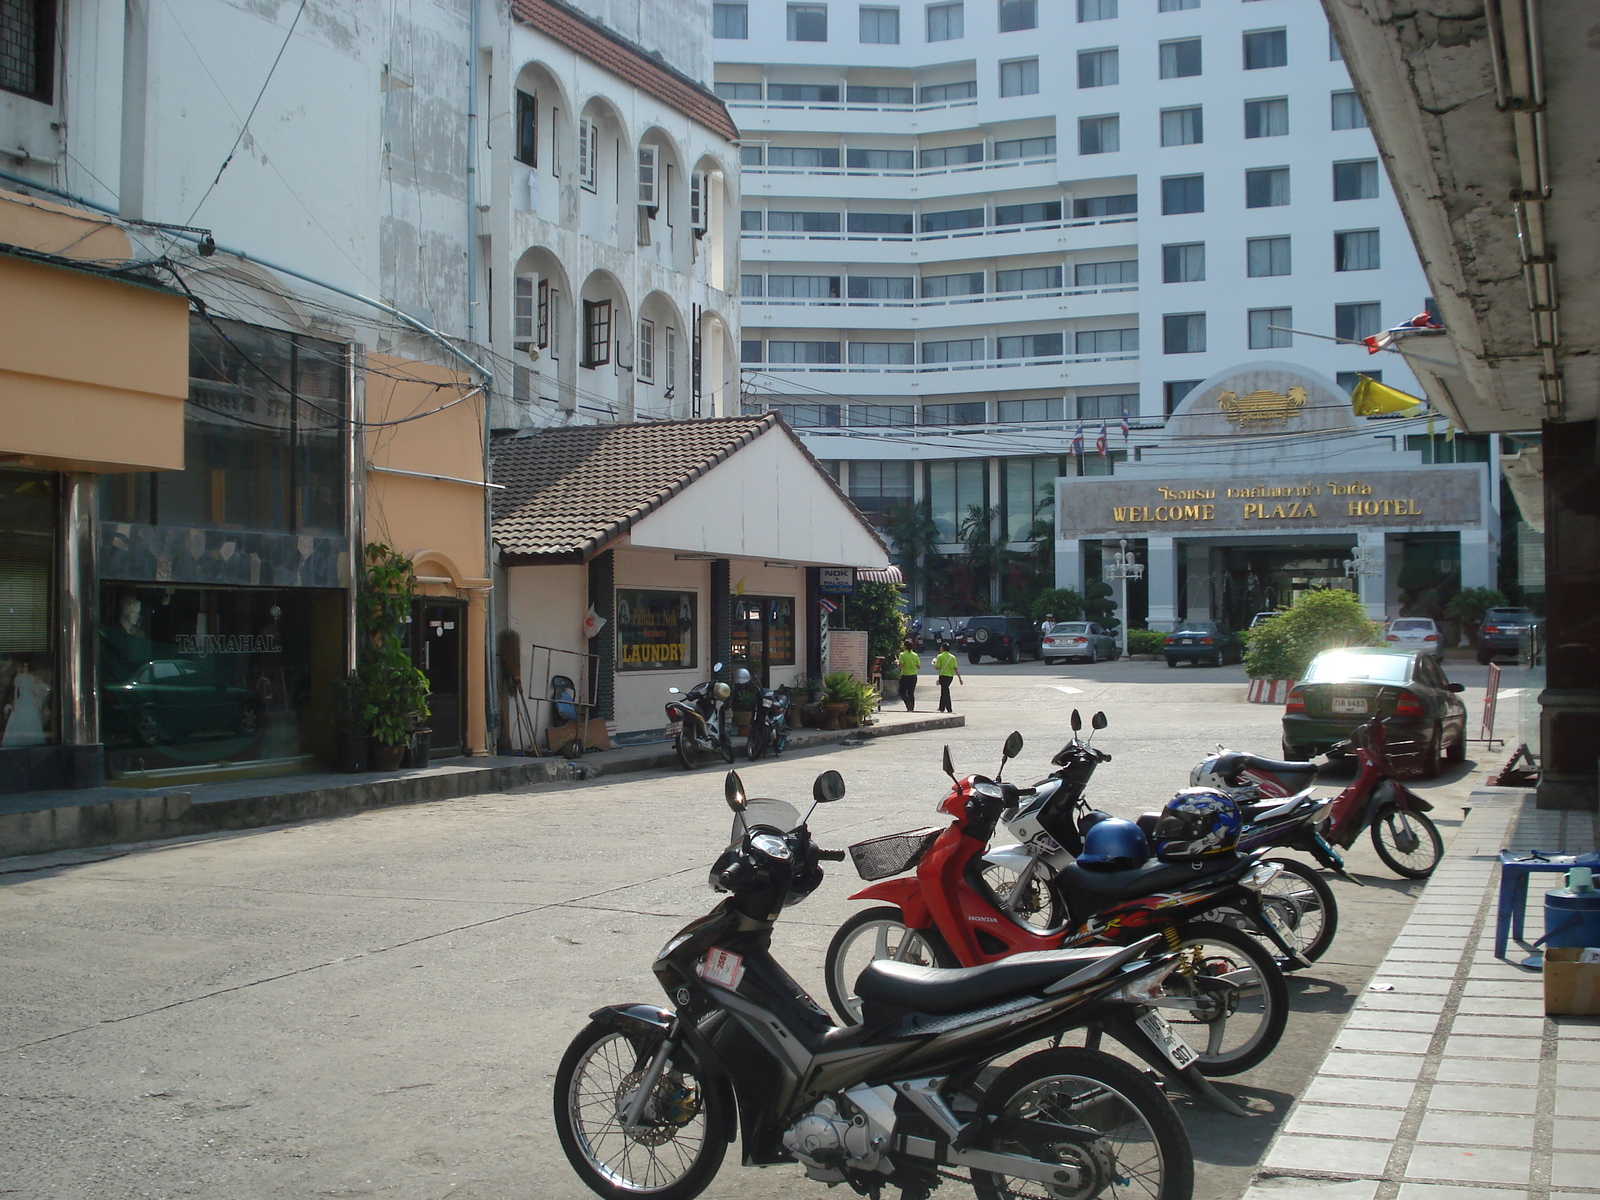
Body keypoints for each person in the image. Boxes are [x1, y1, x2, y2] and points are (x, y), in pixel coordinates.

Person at [933, 642, 963, 713]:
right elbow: (955, 668)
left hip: (943, 676)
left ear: (943, 648)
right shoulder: (952, 657)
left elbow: (937, 667)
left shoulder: (940, 656)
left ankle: (949, 708)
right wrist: (960, 678)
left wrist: (934, 663)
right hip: (950, 677)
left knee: (945, 692)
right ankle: (942, 707)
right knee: (944, 691)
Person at [896, 639, 920, 712]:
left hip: (905, 675)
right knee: (911, 692)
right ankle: (911, 707)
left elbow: (901, 665)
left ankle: (908, 703)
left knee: (902, 692)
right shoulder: (915, 655)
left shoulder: (902, 654)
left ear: (905, 646)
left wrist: (897, 663)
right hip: (914, 676)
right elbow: (918, 666)